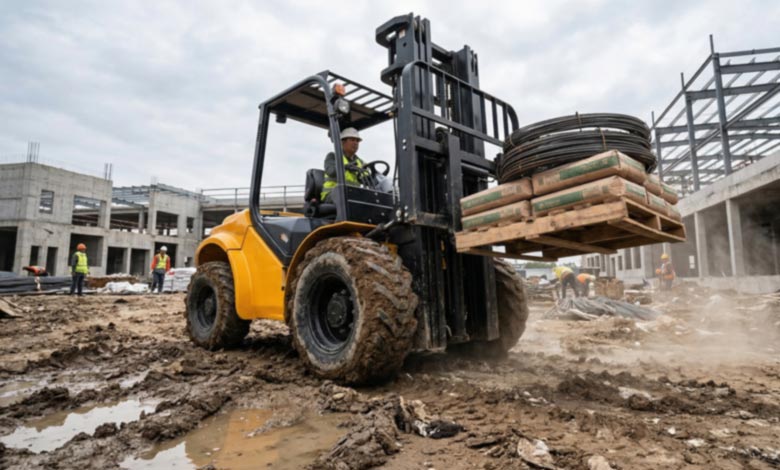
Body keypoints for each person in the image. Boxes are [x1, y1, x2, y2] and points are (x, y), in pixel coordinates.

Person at [321, 127, 366, 203]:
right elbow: (331, 172)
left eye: (357, 141)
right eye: (352, 140)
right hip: (331, 194)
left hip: (351, 195)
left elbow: (366, 179)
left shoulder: (360, 162)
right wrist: (345, 167)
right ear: (343, 142)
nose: (355, 143)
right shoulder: (333, 156)